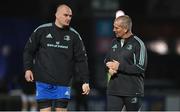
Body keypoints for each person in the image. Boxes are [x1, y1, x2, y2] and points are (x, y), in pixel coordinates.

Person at [23, 4, 90, 111]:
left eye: (70, 16)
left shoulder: (74, 36)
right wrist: (28, 69)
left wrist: (85, 81)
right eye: (65, 15)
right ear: (57, 15)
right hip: (43, 81)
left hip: (64, 82)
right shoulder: (42, 31)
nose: (68, 18)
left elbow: (82, 59)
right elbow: (28, 51)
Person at [105, 15, 147, 111]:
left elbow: (141, 67)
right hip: (114, 90)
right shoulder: (113, 43)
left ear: (125, 29)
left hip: (132, 91)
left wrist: (119, 67)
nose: (113, 30)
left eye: (116, 27)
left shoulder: (138, 44)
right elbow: (106, 61)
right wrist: (109, 69)